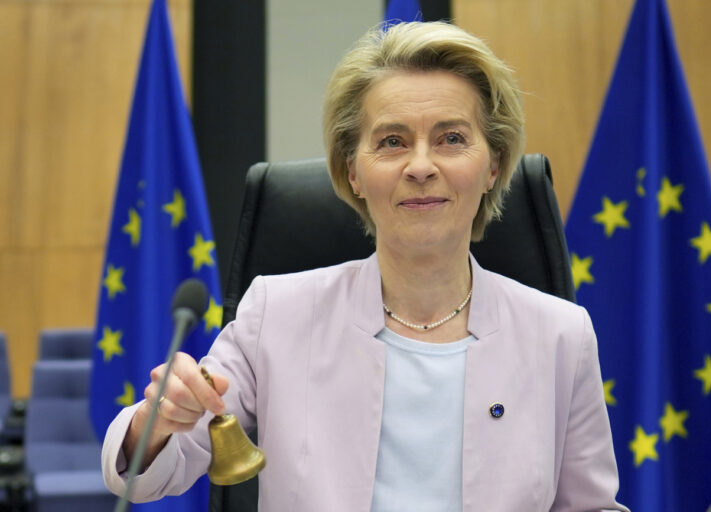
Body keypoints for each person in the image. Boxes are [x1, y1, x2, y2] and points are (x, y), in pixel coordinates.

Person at [102, 21, 628, 511]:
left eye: (451, 138)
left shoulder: (559, 334)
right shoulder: (276, 315)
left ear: (493, 165)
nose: (421, 167)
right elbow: (147, 474)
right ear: (353, 171)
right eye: (392, 141)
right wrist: (160, 421)